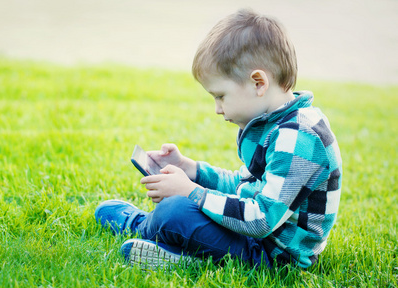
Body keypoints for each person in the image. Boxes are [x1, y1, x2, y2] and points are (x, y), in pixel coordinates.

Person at [95, 8, 342, 269]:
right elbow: (243, 185)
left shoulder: (298, 138)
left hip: (274, 257)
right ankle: (177, 251)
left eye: (221, 96)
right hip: (257, 240)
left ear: (258, 83)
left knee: (176, 209)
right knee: (179, 205)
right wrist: (191, 170)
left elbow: (261, 219)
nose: (217, 108)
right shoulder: (280, 123)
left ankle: (145, 229)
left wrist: (192, 192)